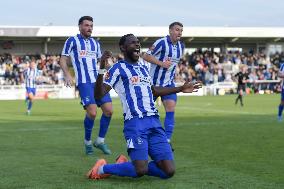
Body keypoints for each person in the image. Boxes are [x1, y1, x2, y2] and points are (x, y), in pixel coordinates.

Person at [87, 34, 201, 180]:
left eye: (138, 43)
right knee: (140, 169)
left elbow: (153, 90)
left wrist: (179, 88)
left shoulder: (144, 67)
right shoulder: (117, 68)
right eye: (132, 43)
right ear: (123, 48)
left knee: (168, 171)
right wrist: (101, 68)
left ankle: (124, 165)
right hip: (135, 123)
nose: (137, 45)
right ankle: (102, 168)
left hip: (154, 122)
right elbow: (99, 94)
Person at [59, 16, 112, 155]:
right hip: (84, 82)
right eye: (87, 25)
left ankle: (100, 141)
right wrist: (67, 74)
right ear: (80, 26)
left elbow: (102, 62)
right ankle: (87, 142)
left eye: (91, 26)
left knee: (109, 111)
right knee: (93, 112)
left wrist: (108, 63)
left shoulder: (95, 43)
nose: (89, 28)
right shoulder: (72, 41)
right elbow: (63, 59)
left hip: (98, 81)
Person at [142, 22, 184, 147]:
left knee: (170, 108)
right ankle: (143, 135)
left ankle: (167, 140)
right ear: (170, 31)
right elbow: (145, 56)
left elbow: (173, 64)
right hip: (153, 84)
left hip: (169, 84)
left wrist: (174, 74)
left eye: (181, 30)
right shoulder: (161, 42)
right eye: (177, 30)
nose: (180, 32)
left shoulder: (181, 46)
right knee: (146, 113)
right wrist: (161, 63)